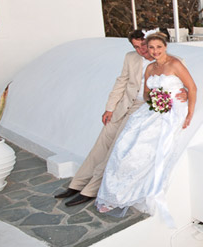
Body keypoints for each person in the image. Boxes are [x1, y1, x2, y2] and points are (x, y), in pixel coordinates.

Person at [96, 32, 197, 222]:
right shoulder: (150, 68)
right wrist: (156, 98)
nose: (155, 51)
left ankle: (132, 191)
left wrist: (190, 112)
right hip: (155, 108)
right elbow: (146, 93)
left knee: (145, 147)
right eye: (151, 48)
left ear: (165, 47)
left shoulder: (175, 64)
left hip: (174, 110)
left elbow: (192, 88)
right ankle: (115, 193)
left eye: (159, 47)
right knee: (125, 143)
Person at [55, 29, 153, 207]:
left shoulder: (165, 61)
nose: (141, 50)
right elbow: (121, 82)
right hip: (123, 106)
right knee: (100, 144)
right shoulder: (130, 57)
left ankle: (90, 190)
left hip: (141, 110)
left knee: (113, 150)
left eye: (143, 45)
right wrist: (110, 108)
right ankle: (77, 184)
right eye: (136, 47)